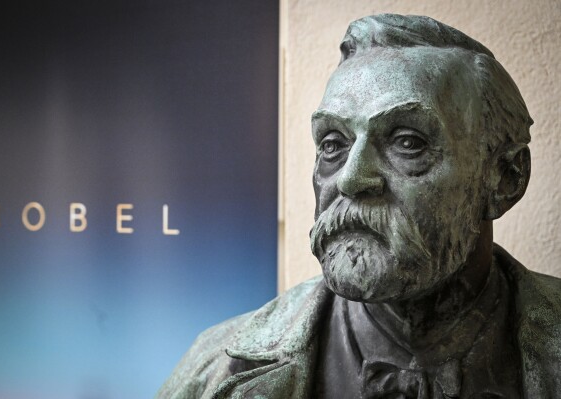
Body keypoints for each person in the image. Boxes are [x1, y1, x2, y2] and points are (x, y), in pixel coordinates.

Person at [157, 14, 561, 398]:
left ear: (505, 178)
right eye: (333, 144)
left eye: (407, 142)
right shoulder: (214, 370)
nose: (350, 179)